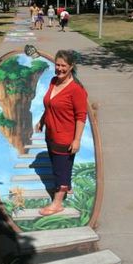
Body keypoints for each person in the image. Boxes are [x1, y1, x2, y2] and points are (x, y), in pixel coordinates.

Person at [36, 49, 88, 216]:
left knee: (60, 169)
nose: (59, 69)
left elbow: (81, 116)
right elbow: (49, 104)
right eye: (57, 65)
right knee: (62, 163)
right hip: (50, 133)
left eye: (63, 65)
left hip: (64, 137)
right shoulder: (53, 81)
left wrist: (77, 139)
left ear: (71, 66)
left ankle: (57, 203)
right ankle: (69, 187)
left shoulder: (76, 90)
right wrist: (42, 120)